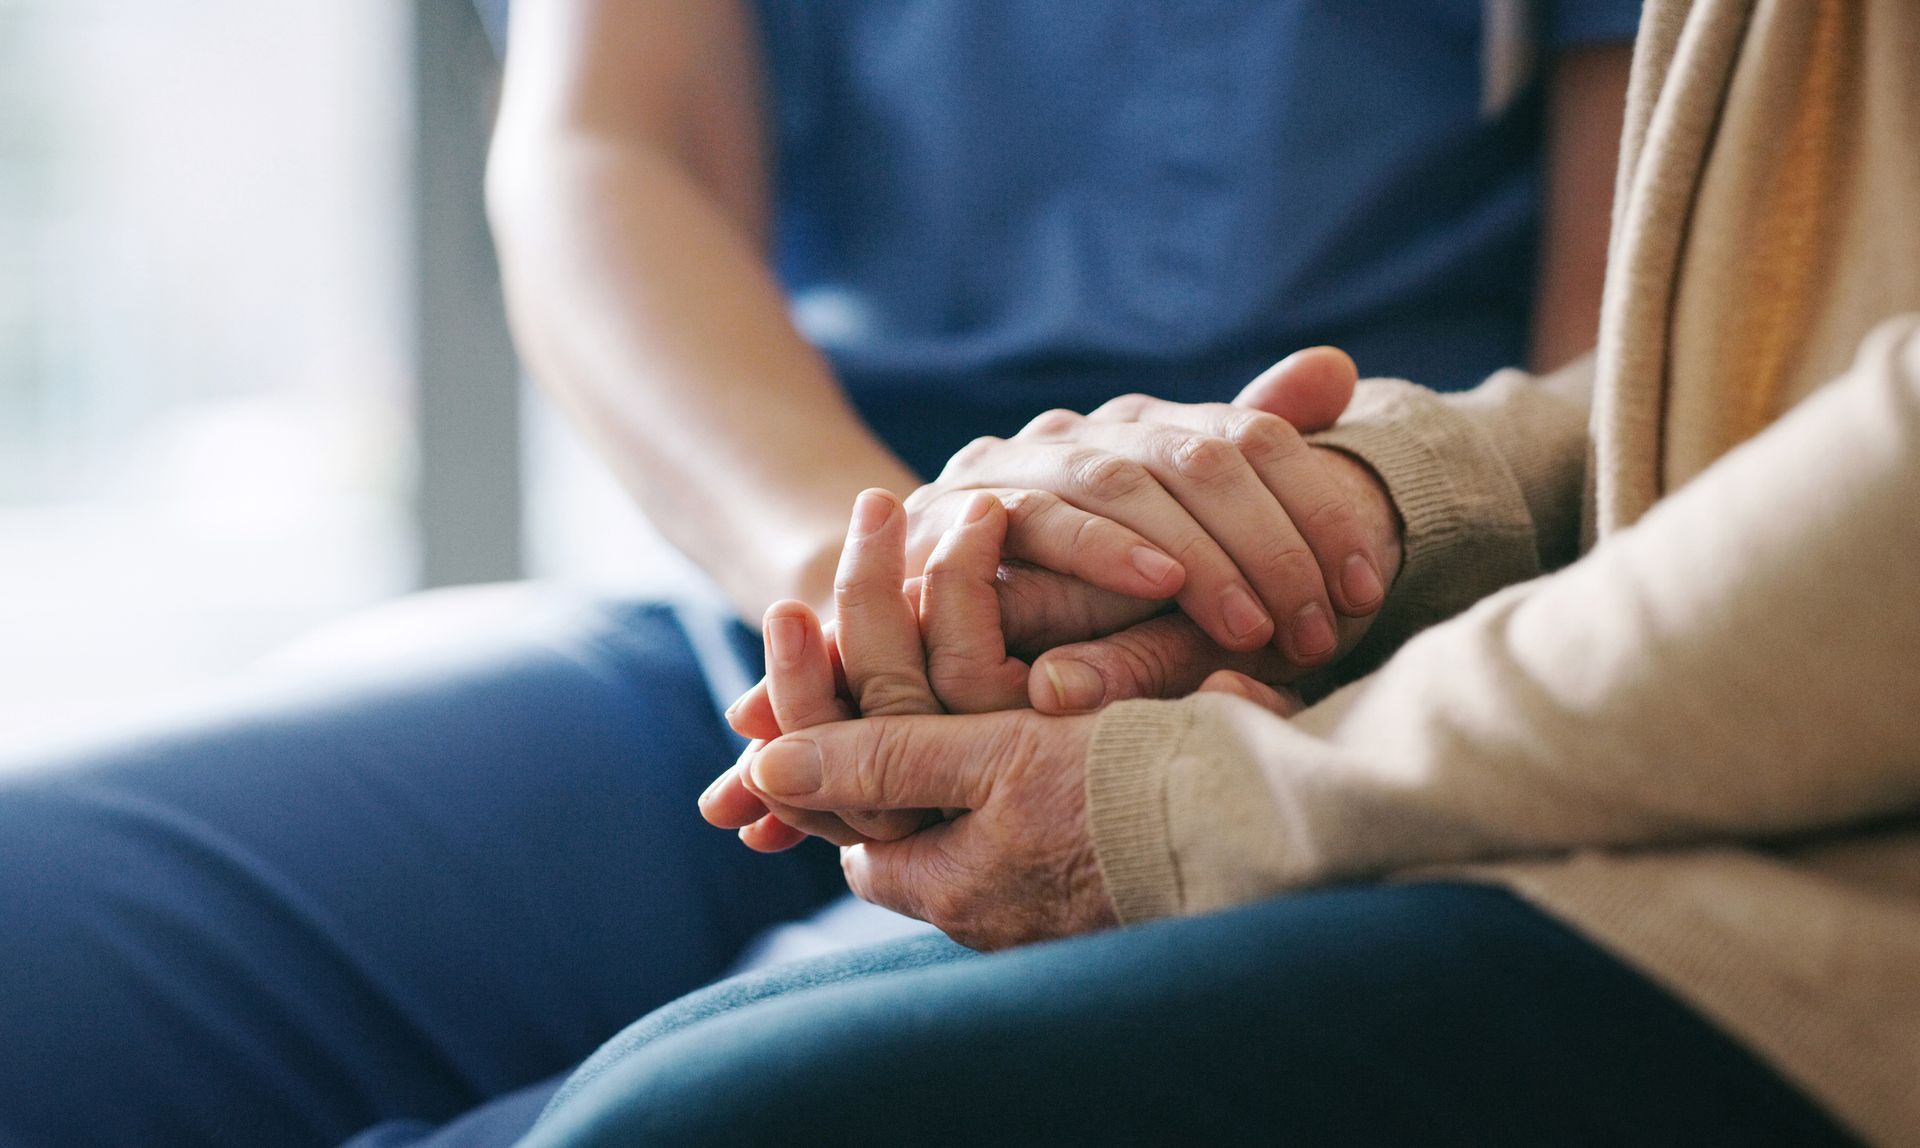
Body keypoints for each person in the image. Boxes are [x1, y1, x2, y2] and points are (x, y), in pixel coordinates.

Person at [0, 3, 1638, 1145]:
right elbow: (607, 152)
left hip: (1296, 669)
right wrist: (877, 586)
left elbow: (1632, 370)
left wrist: (1260, 620)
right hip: (770, 607)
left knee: (653, 1117)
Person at [522, 0, 1920, 1143]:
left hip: (1759, 846)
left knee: (672, 1120)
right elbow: (1737, 374)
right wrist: (1372, 496)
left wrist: (1206, 792)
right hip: (902, 595)